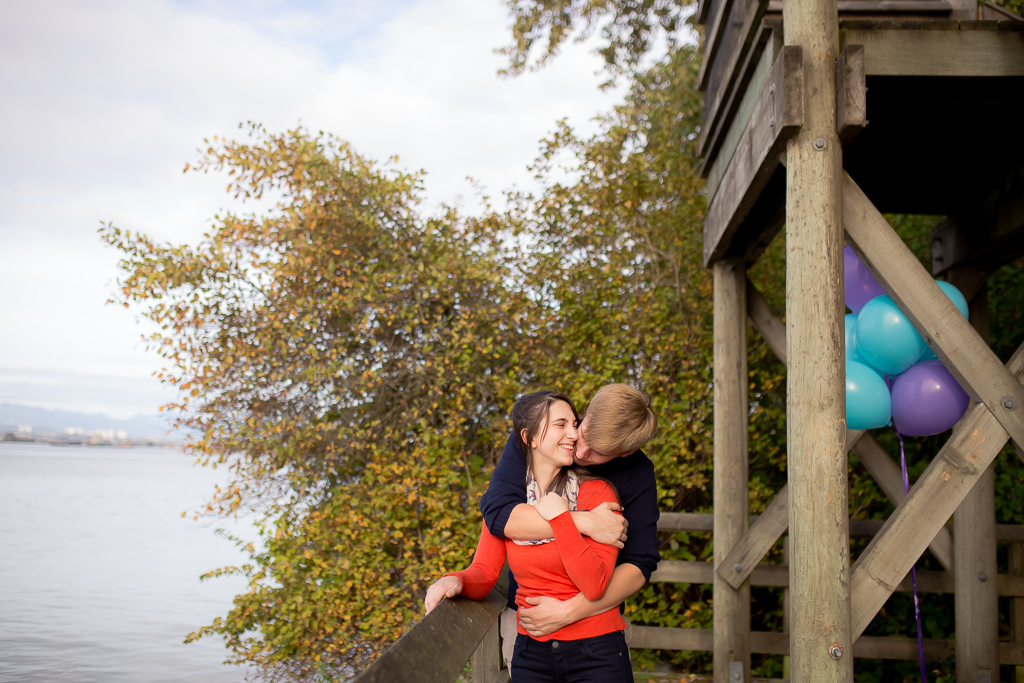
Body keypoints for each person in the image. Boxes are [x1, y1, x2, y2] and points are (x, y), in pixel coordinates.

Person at [425, 391, 634, 682]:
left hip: (596, 650)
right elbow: (485, 571)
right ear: (530, 437)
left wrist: (561, 518)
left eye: (574, 424)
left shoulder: (597, 493)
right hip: (532, 653)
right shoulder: (510, 504)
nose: (574, 433)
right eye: (561, 424)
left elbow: (595, 585)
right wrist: (456, 581)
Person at [480, 384, 660, 666]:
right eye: (584, 432)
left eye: (599, 452)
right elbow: (498, 513)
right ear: (586, 412)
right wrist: (584, 521)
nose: (581, 449)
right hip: (529, 625)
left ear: (626, 452)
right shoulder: (539, 436)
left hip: (595, 625)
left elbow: (640, 563)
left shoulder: (636, 471)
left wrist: (571, 611)